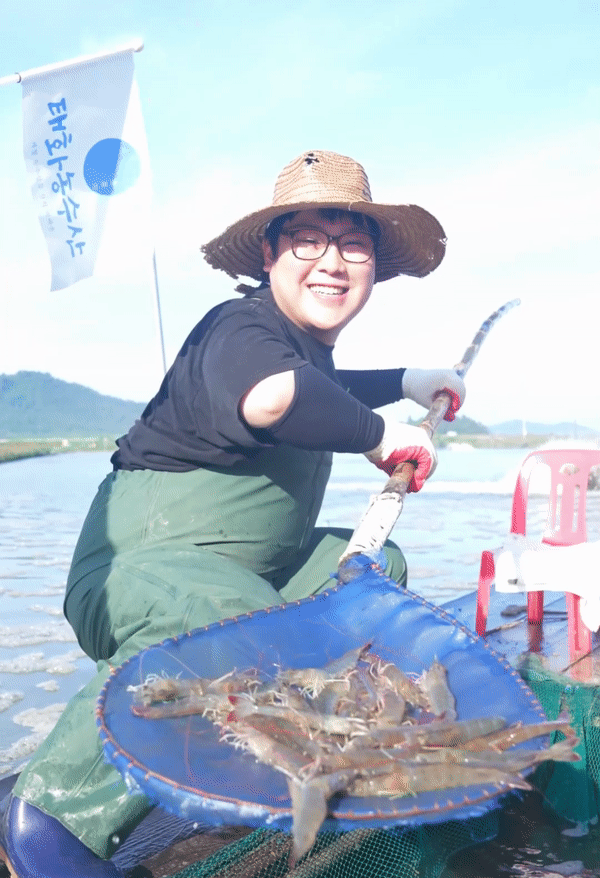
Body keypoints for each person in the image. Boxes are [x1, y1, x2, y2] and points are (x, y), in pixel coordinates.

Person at [0, 149, 465, 877]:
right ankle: (51, 816)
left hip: (252, 568)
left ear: (375, 268)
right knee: (233, 621)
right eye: (308, 240)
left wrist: (408, 380)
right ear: (271, 254)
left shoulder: (302, 353)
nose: (332, 261)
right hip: (137, 571)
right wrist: (382, 437)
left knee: (373, 571)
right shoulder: (239, 328)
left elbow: (325, 385)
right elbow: (275, 397)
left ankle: (276, 750)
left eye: (353, 244)